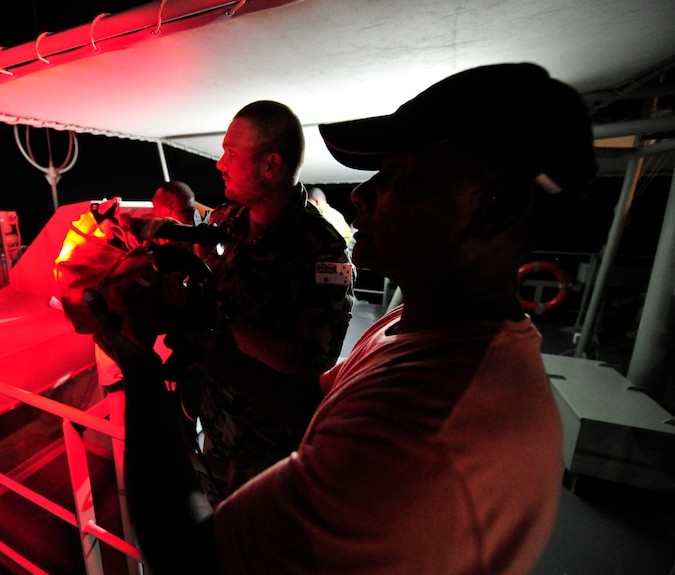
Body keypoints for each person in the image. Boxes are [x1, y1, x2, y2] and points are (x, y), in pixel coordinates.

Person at [86, 62, 598, 575]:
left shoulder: (422, 430)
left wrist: (140, 368)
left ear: (497, 208)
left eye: (396, 174)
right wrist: (207, 340)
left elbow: (188, 557)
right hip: (225, 430)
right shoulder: (412, 328)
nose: (359, 193)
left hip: (260, 449)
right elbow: (312, 401)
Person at [167, 100, 355, 502]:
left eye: (231, 154)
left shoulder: (323, 252)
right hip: (216, 424)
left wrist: (218, 317)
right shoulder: (232, 220)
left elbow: (312, 362)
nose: (220, 164)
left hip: (268, 451)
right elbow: (208, 258)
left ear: (270, 165)